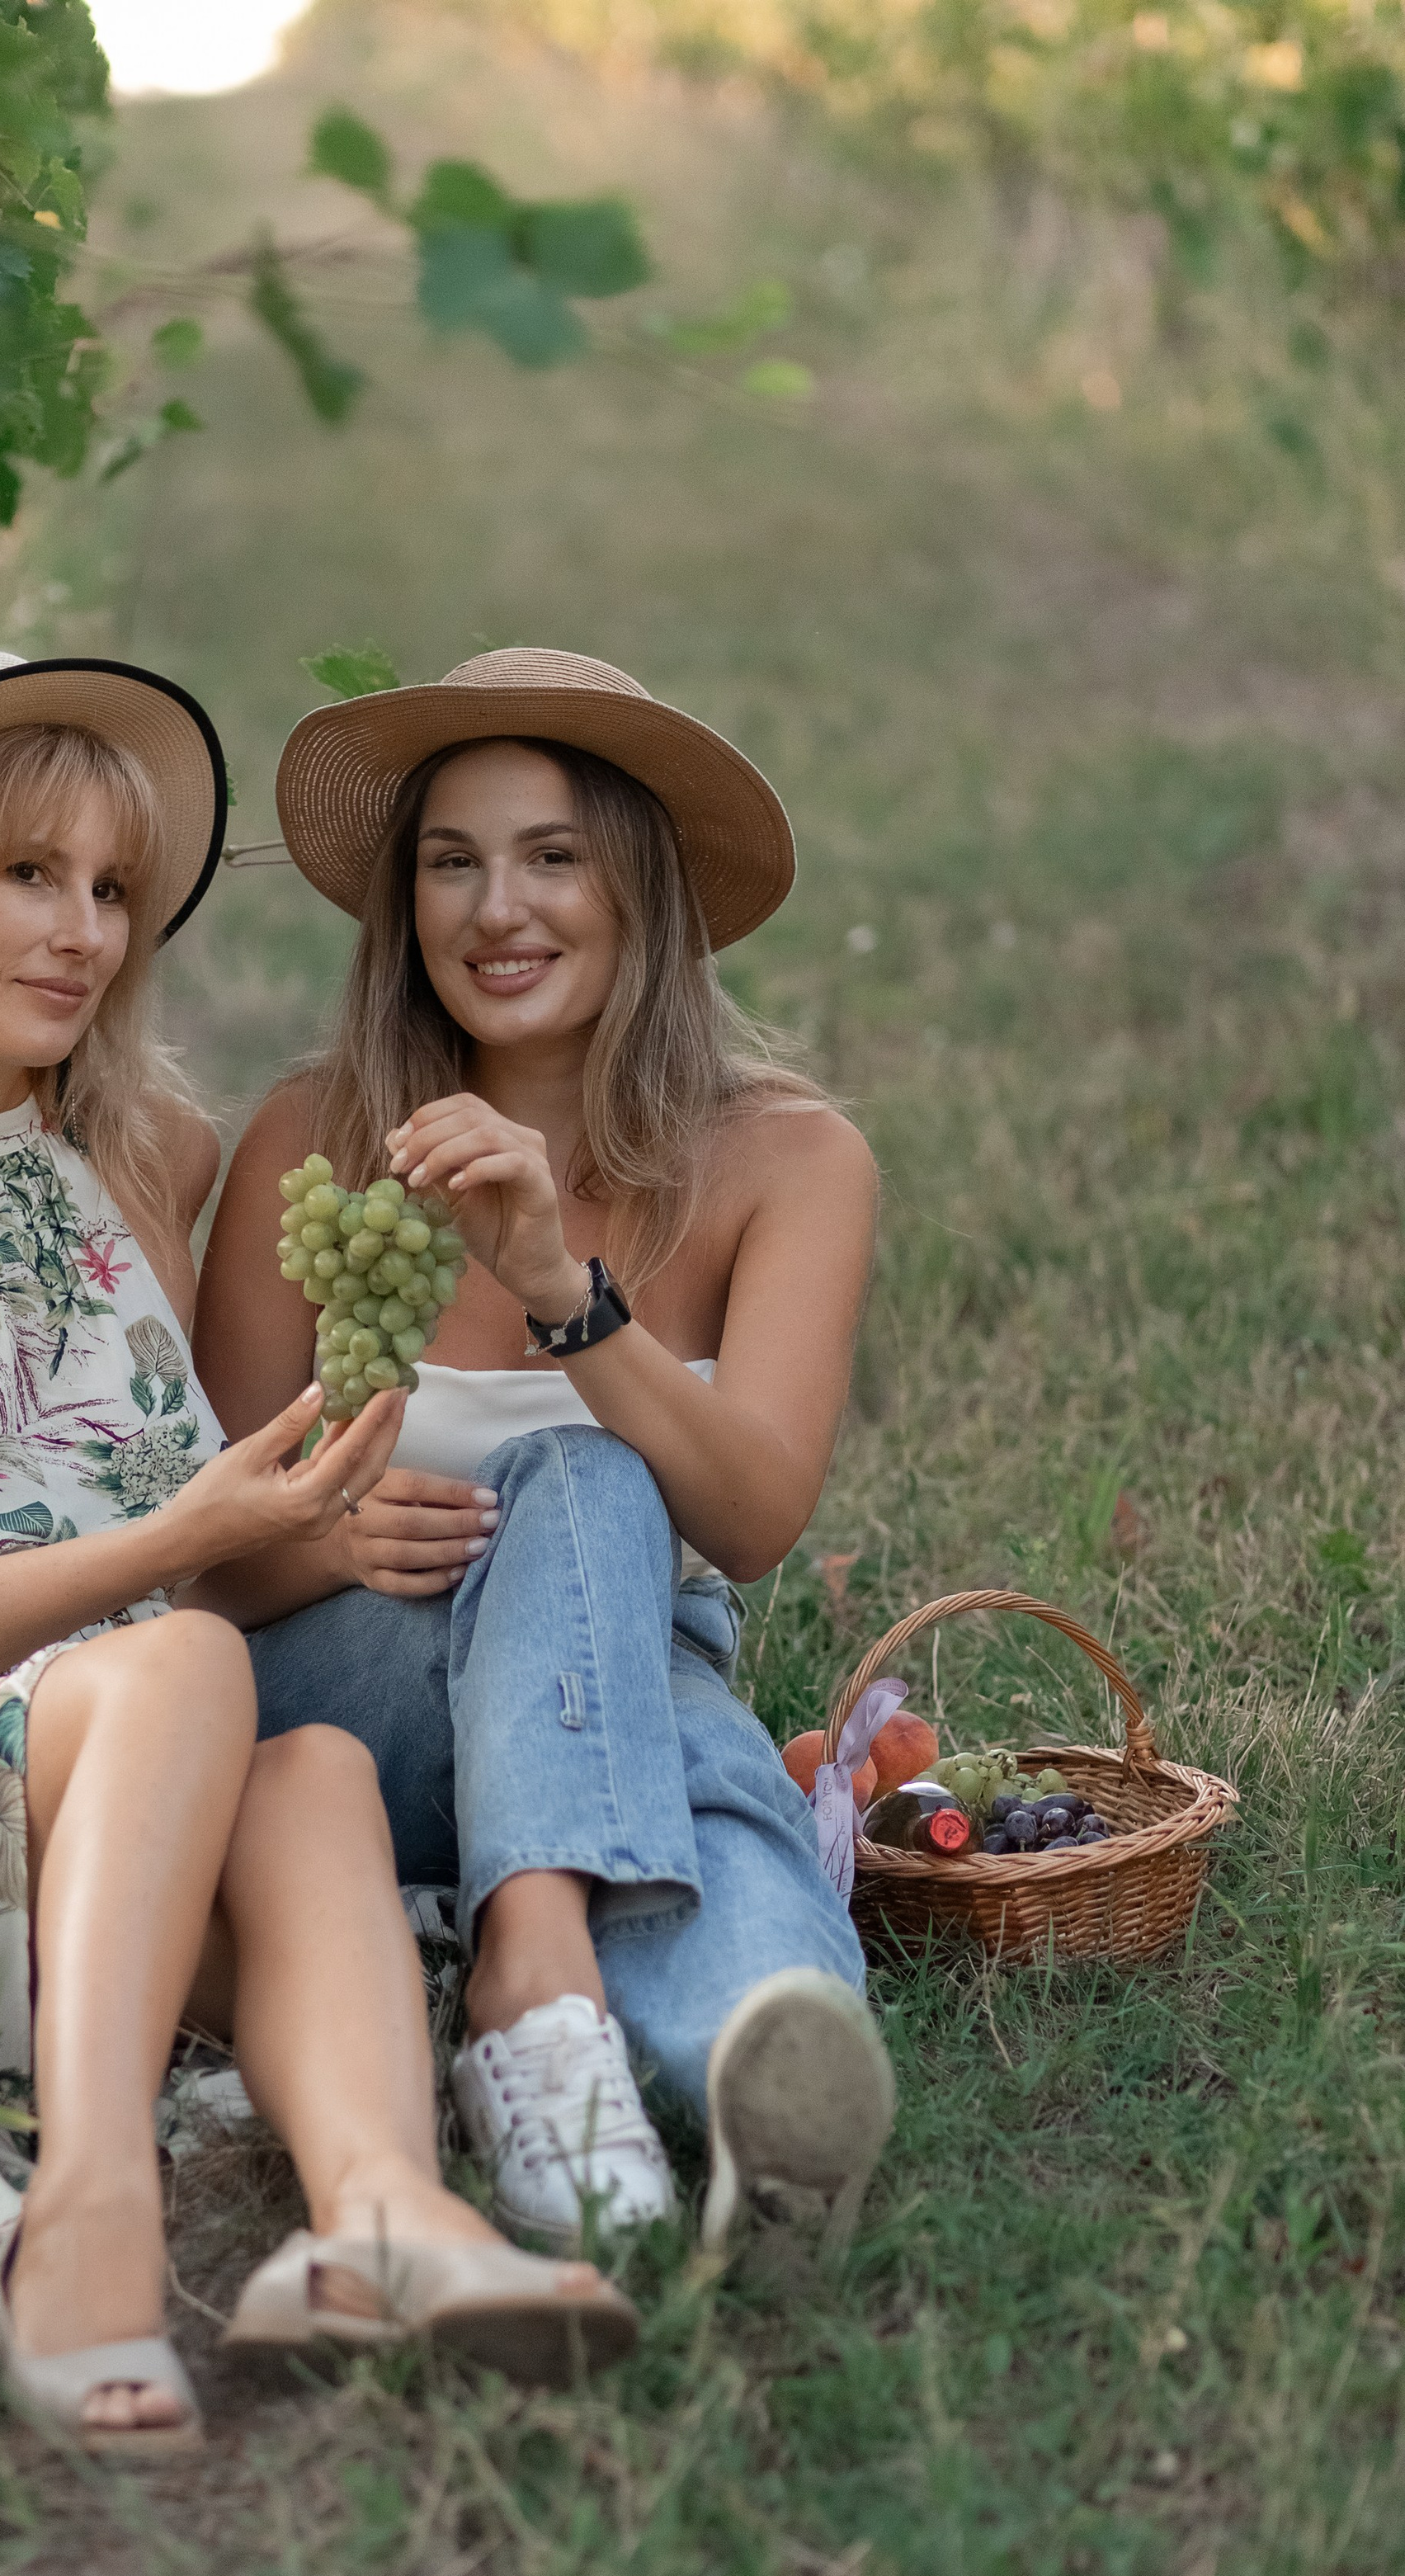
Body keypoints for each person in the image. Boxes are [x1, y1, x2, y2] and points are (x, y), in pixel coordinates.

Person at [0, 648, 637, 2461]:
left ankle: (385, 2217)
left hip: (112, 1805)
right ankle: (92, 2218)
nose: (83, 931)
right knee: (187, 1658)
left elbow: (194, 1534)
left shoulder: (146, 1154)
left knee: (312, 1758)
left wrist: (310, 1521)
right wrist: (181, 1552)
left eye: (110, 890)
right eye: (28, 874)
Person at [192, 647, 895, 2260]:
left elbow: (756, 1514)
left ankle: (759, 2076)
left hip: (617, 1673)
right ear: (404, 904)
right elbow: (210, 1550)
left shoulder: (783, 1158)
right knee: (633, 1620)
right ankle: (550, 1975)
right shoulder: (311, 1136)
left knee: (657, 1674)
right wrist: (329, 1542)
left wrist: (560, 1299)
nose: (493, 908)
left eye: (548, 856)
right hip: (343, 1698)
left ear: (635, 886)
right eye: (450, 862)